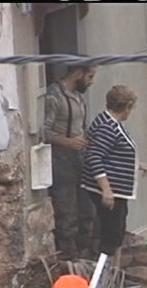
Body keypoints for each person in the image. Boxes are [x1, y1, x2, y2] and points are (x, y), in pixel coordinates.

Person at [81, 85, 147, 288]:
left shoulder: (109, 123)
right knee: (111, 236)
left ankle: (113, 279)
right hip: (110, 192)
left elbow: (115, 154)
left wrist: (136, 165)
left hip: (118, 191)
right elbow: (94, 156)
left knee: (116, 232)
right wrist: (106, 190)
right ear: (126, 107)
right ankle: (102, 284)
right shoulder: (107, 127)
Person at [44, 65, 98, 260]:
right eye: (90, 76)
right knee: (67, 213)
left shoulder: (79, 98)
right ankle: (68, 258)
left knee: (87, 210)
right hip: (61, 159)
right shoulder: (54, 96)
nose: (91, 81)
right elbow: (44, 132)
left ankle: (85, 254)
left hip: (80, 159)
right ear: (78, 74)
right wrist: (68, 142)